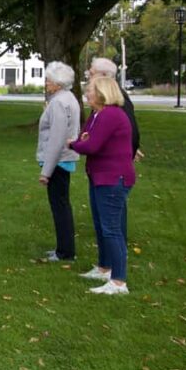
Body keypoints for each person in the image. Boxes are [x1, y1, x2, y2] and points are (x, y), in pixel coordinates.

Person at [69, 77, 135, 295]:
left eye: (90, 90)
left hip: (113, 178)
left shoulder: (111, 115)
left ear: (101, 93)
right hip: (99, 176)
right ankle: (104, 267)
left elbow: (91, 145)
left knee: (111, 229)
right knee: (101, 225)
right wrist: (82, 141)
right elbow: (85, 137)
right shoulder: (97, 114)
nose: (86, 94)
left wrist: (76, 144)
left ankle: (118, 281)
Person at [36, 62, 81, 262]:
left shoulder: (59, 102)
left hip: (58, 162)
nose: (46, 83)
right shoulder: (66, 99)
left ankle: (65, 252)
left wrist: (46, 171)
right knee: (61, 205)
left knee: (60, 206)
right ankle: (63, 248)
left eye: (49, 80)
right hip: (62, 160)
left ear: (59, 83)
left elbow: (57, 138)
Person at [88, 58, 142, 161]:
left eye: (92, 74)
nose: (89, 78)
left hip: (113, 165)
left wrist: (129, 152)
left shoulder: (117, 97)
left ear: (103, 76)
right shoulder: (101, 97)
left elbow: (132, 132)